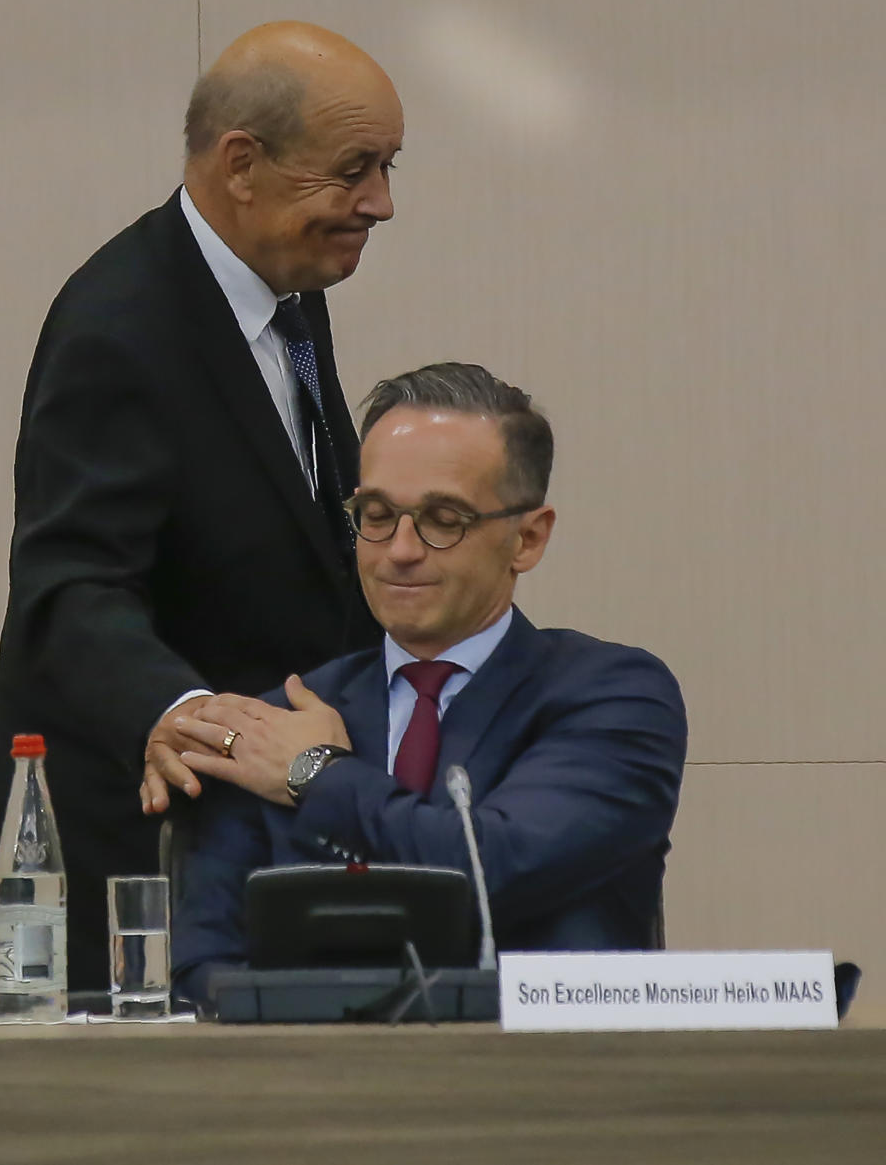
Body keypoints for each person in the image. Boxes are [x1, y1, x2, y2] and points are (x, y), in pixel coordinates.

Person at [0, 21, 404, 991]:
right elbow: (70, 585)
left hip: (262, 833)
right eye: (354, 170)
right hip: (136, 848)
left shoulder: (288, 285)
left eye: (387, 167)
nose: (381, 202)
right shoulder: (120, 325)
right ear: (241, 164)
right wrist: (184, 712)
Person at [170, 363, 687, 1005]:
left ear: (527, 537)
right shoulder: (276, 722)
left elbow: (488, 865)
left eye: (444, 519)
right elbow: (203, 966)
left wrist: (316, 774)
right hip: (313, 1090)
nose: (400, 550)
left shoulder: (612, 698)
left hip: (543, 1091)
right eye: (378, 514)